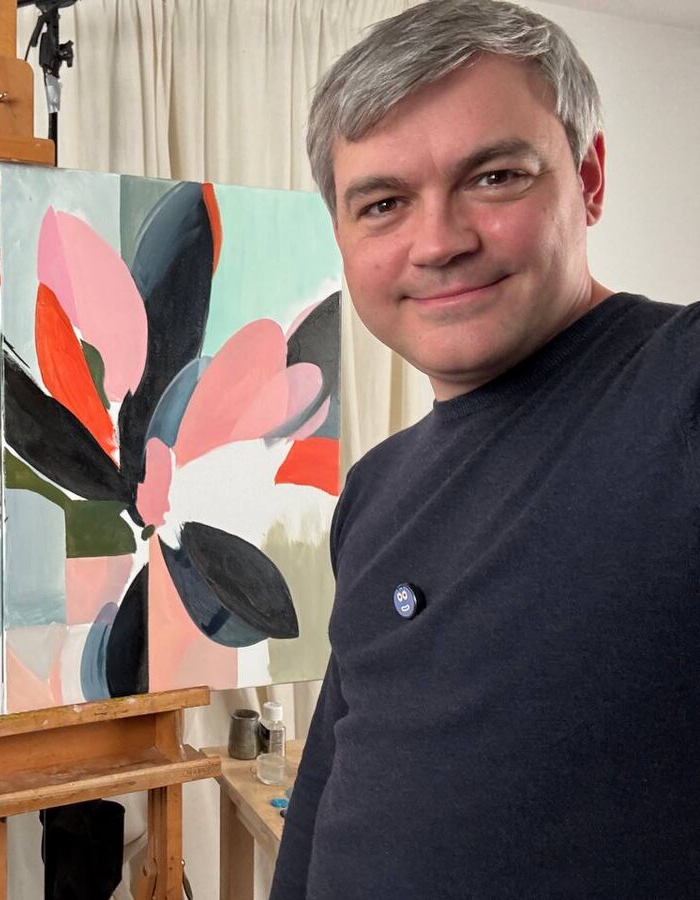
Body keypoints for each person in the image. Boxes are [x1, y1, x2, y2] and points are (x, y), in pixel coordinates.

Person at [271, 1, 700, 897]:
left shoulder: (681, 386)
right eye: (384, 204)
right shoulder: (375, 489)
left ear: (589, 180)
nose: (438, 242)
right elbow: (328, 787)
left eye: (495, 178)